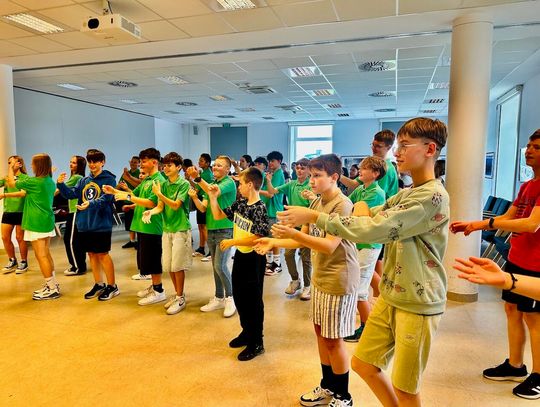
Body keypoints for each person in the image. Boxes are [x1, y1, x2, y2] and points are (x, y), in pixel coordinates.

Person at [278, 118, 449, 406]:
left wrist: (316, 217)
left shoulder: (431, 196)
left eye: (404, 146)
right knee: (364, 364)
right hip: (393, 294)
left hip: (417, 300)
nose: (396, 153)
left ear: (430, 149)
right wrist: (358, 212)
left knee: (406, 386)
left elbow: (373, 227)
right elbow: (369, 214)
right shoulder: (407, 193)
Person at [255, 154, 360, 407]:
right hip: (321, 277)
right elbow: (302, 239)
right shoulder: (315, 202)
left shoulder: (342, 205)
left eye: (317, 176)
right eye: (311, 175)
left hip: (339, 279)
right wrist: (274, 241)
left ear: (334, 177)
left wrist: (292, 234)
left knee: (334, 340)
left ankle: (343, 396)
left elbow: (328, 245)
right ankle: (327, 386)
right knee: (321, 334)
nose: (311, 181)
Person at [450, 129, 540, 400]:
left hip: (535, 264)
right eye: (529, 145)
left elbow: (531, 224)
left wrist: (486, 223)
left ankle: (539, 376)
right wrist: (476, 224)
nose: (529, 151)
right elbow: (510, 216)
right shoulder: (527, 185)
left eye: (536, 147)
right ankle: (515, 365)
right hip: (516, 257)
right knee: (512, 310)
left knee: (534, 318)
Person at [207, 167, 270, 360]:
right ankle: (246, 332)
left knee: (253, 301)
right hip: (241, 256)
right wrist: (213, 198)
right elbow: (218, 215)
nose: (238, 186)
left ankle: (256, 342)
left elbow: (258, 237)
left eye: (241, 183)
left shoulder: (259, 208)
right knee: (240, 296)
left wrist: (233, 241)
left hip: (255, 258)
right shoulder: (241, 203)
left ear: (250, 185)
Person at [105, 148, 167, 306]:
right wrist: (114, 191)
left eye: (144, 162)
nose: (141, 165)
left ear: (154, 162)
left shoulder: (159, 180)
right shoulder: (147, 180)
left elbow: (152, 202)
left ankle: (159, 291)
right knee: (146, 259)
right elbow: (135, 194)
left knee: (153, 259)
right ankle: (154, 285)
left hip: (152, 226)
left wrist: (127, 196)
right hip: (142, 225)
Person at [57, 149, 118, 301]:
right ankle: (99, 284)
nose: (92, 164)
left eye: (95, 161)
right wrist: (60, 184)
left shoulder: (109, 179)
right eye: (90, 161)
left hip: (101, 223)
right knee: (91, 254)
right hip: (85, 224)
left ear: (102, 162)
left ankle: (112, 286)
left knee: (103, 254)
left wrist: (90, 204)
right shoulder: (83, 180)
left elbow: (107, 199)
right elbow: (71, 194)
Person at [187, 155, 237, 318]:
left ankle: (230, 298)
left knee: (220, 266)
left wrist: (197, 178)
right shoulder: (212, 183)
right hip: (212, 229)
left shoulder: (228, 182)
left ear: (228, 169)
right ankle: (219, 297)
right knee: (215, 267)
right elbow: (203, 208)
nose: (215, 167)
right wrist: (195, 197)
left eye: (219, 165)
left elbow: (212, 191)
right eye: (215, 165)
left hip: (225, 229)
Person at [343, 156, 386, 343]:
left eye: (365, 168)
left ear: (375, 173)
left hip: (369, 243)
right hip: (358, 242)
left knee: (359, 288)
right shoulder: (361, 189)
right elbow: (347, 205)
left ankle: (365, 328)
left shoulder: (377, 192)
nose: (360, 170)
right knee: (359, 281)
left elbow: (357, 213)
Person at [143, 152, 192, 315]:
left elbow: (176, 205)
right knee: (169, 265)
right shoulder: (163, 184)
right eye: (164, 165)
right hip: (167, 229)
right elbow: (160, 207)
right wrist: (151, 212)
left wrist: (159, 194)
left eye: (169, 165)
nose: (166, 168)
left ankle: (180, 297)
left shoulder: (183, 184)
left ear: (178, 167)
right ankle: (177, 294)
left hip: (180, 229)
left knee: (178, 266)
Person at [8, 154, 57, 300]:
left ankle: (52, 289)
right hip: (46, 221)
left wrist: (11, 168)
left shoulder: (34, 182)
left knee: (41, 256)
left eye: (33, 163)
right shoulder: (49, 181)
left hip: (36, 223)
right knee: (46, 254)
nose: (31, 166)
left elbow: (11, 183)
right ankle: (52, 284)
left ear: (38, 166)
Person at [265, 158, 312, 300]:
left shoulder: (311, 185)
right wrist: (268, 180)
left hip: (307, 225)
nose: (299, 170)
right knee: (288, 254)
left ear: (309, 170)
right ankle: (295, 280)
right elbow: (272, 191)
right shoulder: (291, 184)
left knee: (306, 258)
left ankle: (308, 286)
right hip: (292, 225)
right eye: (298, 168)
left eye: (303, 168)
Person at [454, 257, 540, 301]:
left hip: (533, 263)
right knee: (510, 309)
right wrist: (507, 279)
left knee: (531, 317)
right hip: (515, 258)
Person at [0, 155, 29, 274]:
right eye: (9, 163)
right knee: (5, 237)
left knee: (19, 238)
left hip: (21, 211)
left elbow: (22, 193)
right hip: (8, 211)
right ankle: (12, 260)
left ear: (20, 164)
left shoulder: (25, 178)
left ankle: (24, 262)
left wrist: (4, 195)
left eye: (12, 163)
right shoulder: (6, 178)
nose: (10, 165)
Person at [60, 155, 87, 276]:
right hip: (75, 211)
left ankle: (77, 267)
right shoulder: (77, 177)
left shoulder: (77, 177)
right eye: (70, 162)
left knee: (70, 240)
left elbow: (58, 190)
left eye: (74, 163)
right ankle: (80, 265)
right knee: (76, 240)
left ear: (80, 165)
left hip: (75, 211)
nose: (71, 164)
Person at [260, 151, 285, 276]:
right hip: (268, 210)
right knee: (268, 238)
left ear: (279, 161)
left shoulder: (278, 174)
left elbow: (270, 194)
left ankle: (277, 264)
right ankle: (269, 262)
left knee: (274, 238)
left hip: (274, 211)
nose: (270, 163)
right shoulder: (272, 174)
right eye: (269, 161)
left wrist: (256, 190)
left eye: (272, 161)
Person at [193, 153, 213, 259]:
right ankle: (201, 248)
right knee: (200, 226)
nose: (199, 162)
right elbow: (196, 187)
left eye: (201, 161)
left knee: (204, 226)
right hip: (200, 199)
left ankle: (210, 251)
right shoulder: (203, 173)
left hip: (204, 200)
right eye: (199, 160)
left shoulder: (206, 174)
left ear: (207, 163)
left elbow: (197, 189)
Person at [119, 156, 141, 249]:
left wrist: (128, 178)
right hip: (127, 199)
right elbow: (120, 184)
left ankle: (139, 241)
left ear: (139, 164)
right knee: (129, 222)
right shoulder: (126, 173)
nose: (133, 163)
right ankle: (132, 241)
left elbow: (139, 185)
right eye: (132, 162)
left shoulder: (140, 173)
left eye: (135, 162)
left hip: (137, 200)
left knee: (137, 221)